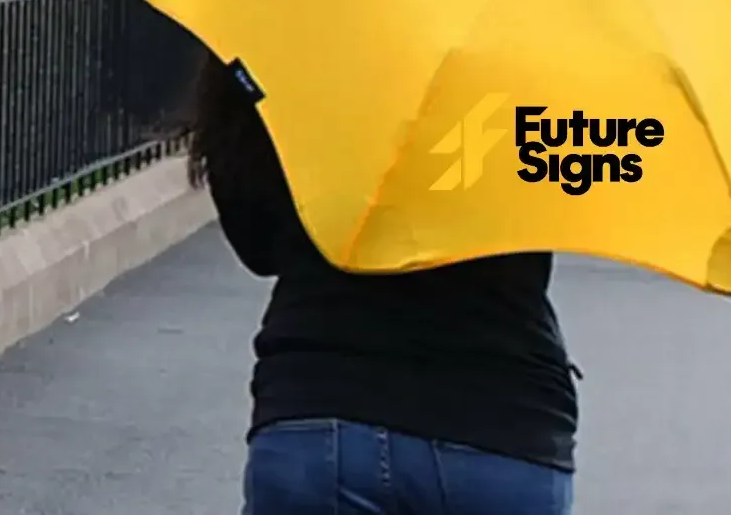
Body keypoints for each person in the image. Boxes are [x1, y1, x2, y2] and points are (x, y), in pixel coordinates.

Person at [185, 47, 580, 515]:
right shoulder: (528, 58)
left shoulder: (295, 45)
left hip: (322, 408)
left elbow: (258, 245)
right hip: (503, 424)